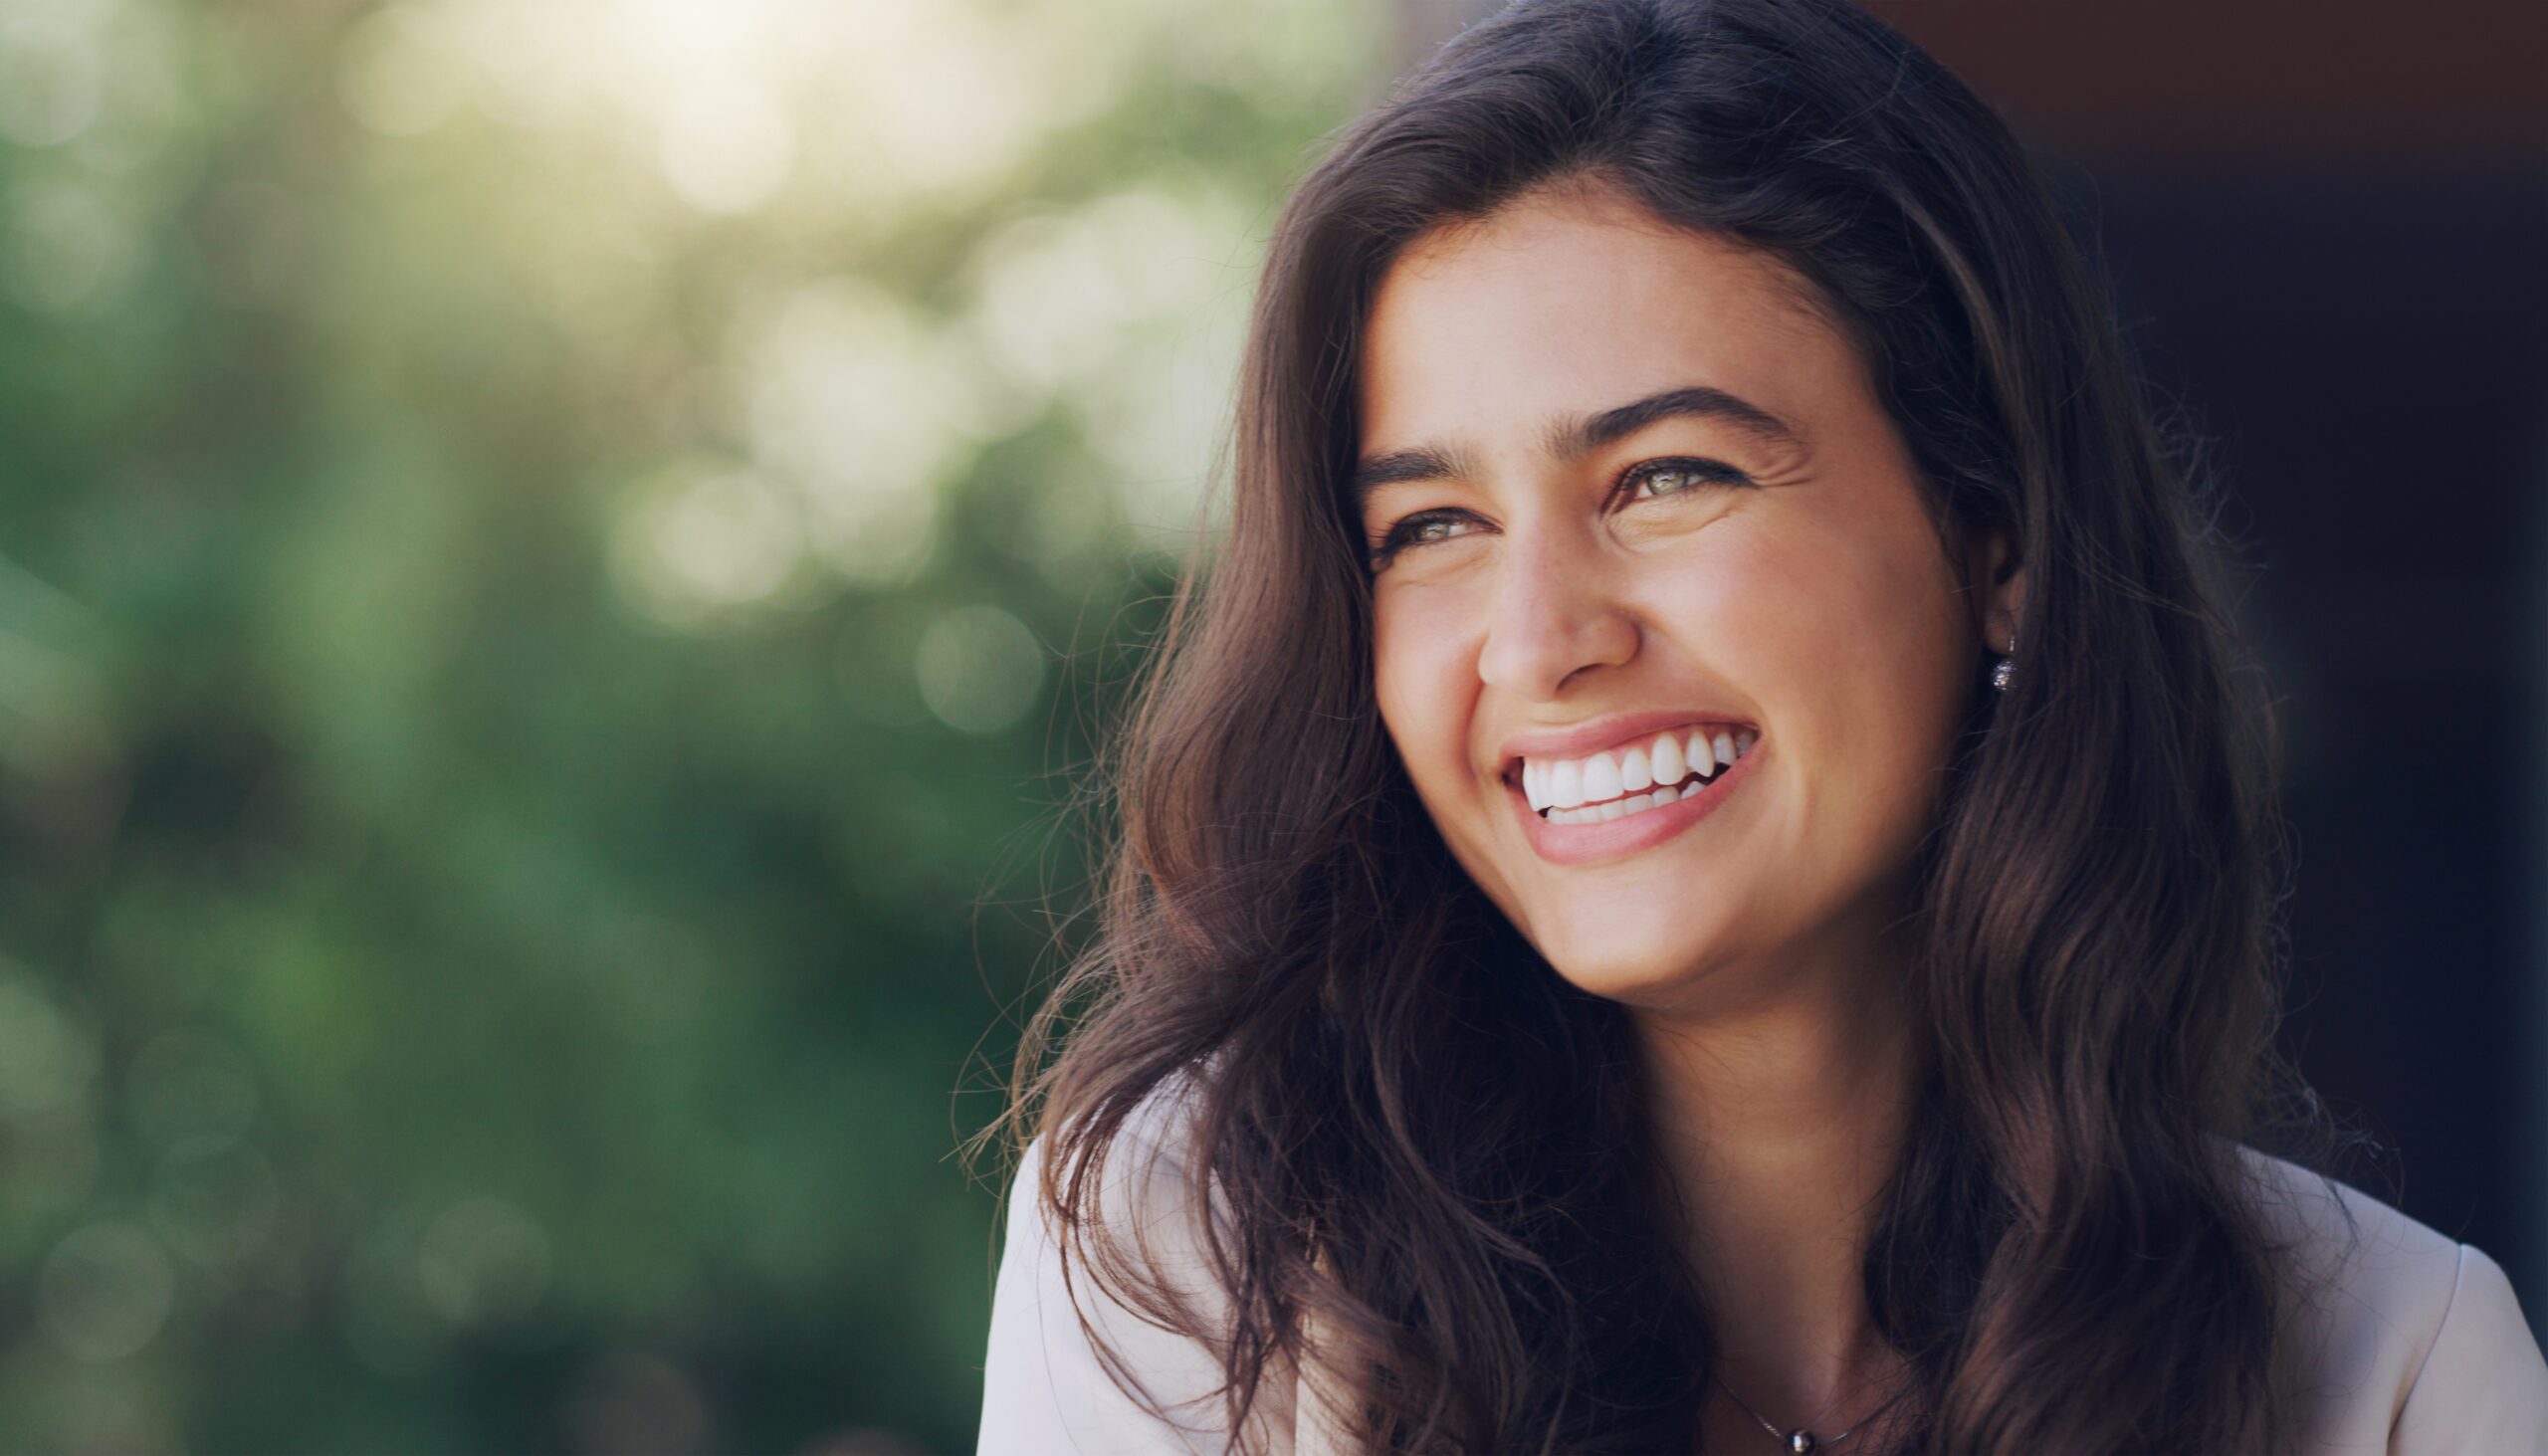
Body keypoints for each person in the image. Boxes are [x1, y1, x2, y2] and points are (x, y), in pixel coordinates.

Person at [971, 0, 2548, 1451]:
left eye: (1669, 478)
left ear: (1995, 544)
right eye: (1433, 526)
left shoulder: (2394, 1367)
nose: (1539, 642)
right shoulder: (1195, 1263)